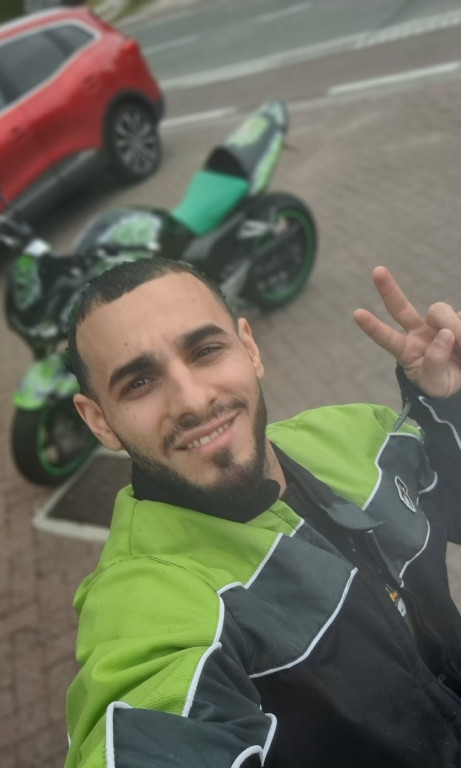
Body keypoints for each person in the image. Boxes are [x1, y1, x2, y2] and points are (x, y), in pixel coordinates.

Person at [64, 257, 461, 768]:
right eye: (139, 382)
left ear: (249, 348)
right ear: (98, 420)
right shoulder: (146, 602)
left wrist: (446, 405)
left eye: (205, 351)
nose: (192, 400)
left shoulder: (359, 433)